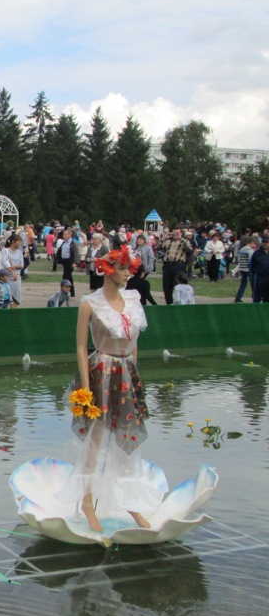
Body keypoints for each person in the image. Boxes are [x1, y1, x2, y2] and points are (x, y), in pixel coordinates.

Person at [56, 245, 156, 532]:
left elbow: (134, 342)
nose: (128, 274)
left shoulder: (133, 300)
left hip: (126, 373)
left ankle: (130, 500)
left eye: (129, 269)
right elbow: (79, 345)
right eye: (123, 269)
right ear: (109, 271)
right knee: (96, 440)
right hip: (102, 370)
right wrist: (86, 389)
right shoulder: (90, 303)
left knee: (125, 437)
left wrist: (135, 376)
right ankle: (87, 503)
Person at [158, 228, 193, 305]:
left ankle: (180, 302)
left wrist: (181, 238)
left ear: (181, 234)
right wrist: (164, 238)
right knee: (166, 286)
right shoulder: (167, 241)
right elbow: (157, 247)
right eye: (173, 233)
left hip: (178, 265)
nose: (175, 235)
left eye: (177, 233)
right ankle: (169, 303)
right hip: (167, 265)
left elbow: (190, 250)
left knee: (179, 285)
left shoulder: (184, 242)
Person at [0, 235, 25, 306]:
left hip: (16, 278)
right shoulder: (5, 251)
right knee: (6, 297)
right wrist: (12, 271)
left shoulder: (19, 252)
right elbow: (4, 262)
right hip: (7, 277)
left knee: (15, 298)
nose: (20, 243)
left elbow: (22, 265)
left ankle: (13, 313)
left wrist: (16, 266)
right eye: (18, 241)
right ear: (13, 242)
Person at [233, 234, 258, 302]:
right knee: (253, 284)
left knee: (243, 284)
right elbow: (251, 259)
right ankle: (255, 297)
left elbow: (239, 259)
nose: (255, 246)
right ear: (252, 243)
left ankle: (238, 298)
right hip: (249, 269)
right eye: (254, 244)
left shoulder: (242, 249)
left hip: (242, 268)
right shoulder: (250, 250)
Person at [249, 236, 269, 303]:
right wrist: (251, 277)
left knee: (267, 298)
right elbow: (252, 266)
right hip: (259, 278)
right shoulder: (257, 253)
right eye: (264, 242)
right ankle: (255, 312)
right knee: (257, 298)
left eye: (266, 242)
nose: (265, 244)